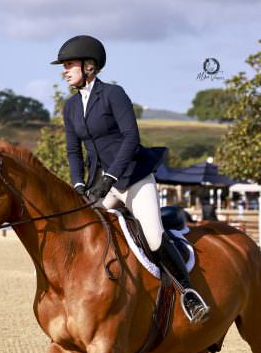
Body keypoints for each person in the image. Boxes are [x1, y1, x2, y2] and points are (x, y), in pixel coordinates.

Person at [53, 35, 209, 323]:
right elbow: (73, 150)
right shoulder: (71, 107)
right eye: (64, 66)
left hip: (132, 178)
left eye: (69, 64)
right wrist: (78, 184)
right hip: (100, 185)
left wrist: (110, 176)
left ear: (89, 66)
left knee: (153, 235)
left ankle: (189, 293)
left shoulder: (113, 94)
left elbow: (131, 137)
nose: (64, 71)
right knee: (84, 232)